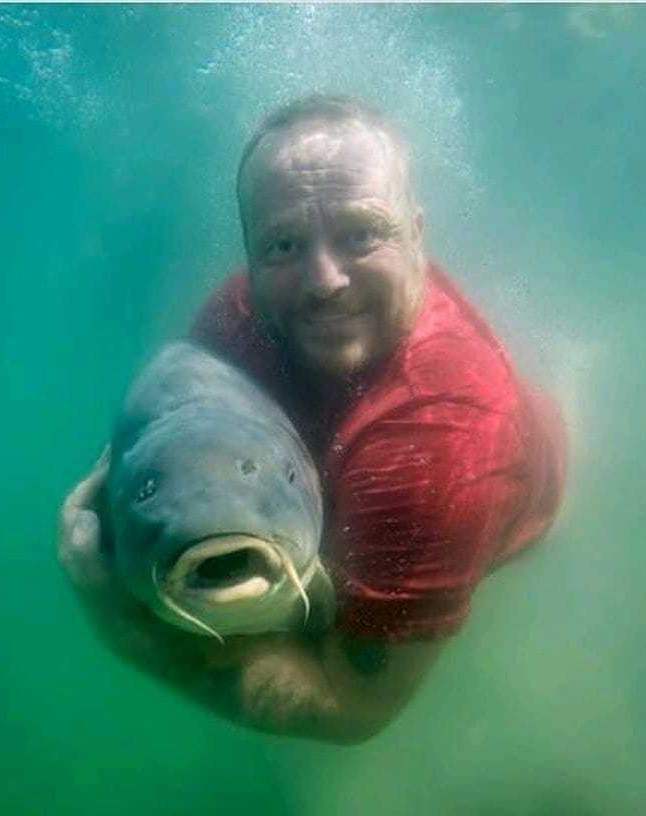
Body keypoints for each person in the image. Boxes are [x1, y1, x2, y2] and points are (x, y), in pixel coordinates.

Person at [59, 95, 566, 744]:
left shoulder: (440, 453)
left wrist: (119, 624)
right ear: (249, 252)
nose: (324, 281)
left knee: (557, 414)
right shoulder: (239, 315)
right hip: (344, 481)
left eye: (361, 234)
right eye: (284, 244)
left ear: (417, 233)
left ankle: (577, 376)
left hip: (517, 493)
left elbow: (350, 706)